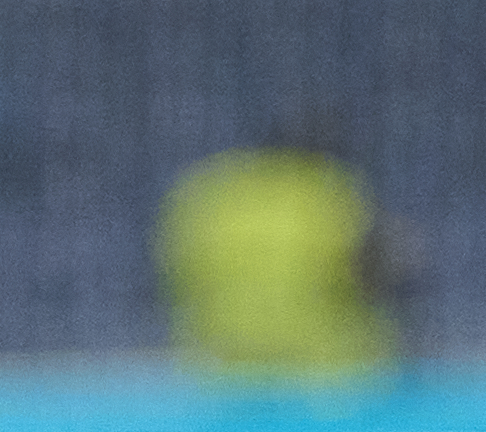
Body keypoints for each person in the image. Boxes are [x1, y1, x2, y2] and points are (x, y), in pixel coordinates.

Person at [159, 134, 400, 376]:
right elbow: (371, 276)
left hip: (225, 372)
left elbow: (173, 277)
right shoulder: (330, 190)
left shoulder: (208, 192)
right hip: (325, 377)